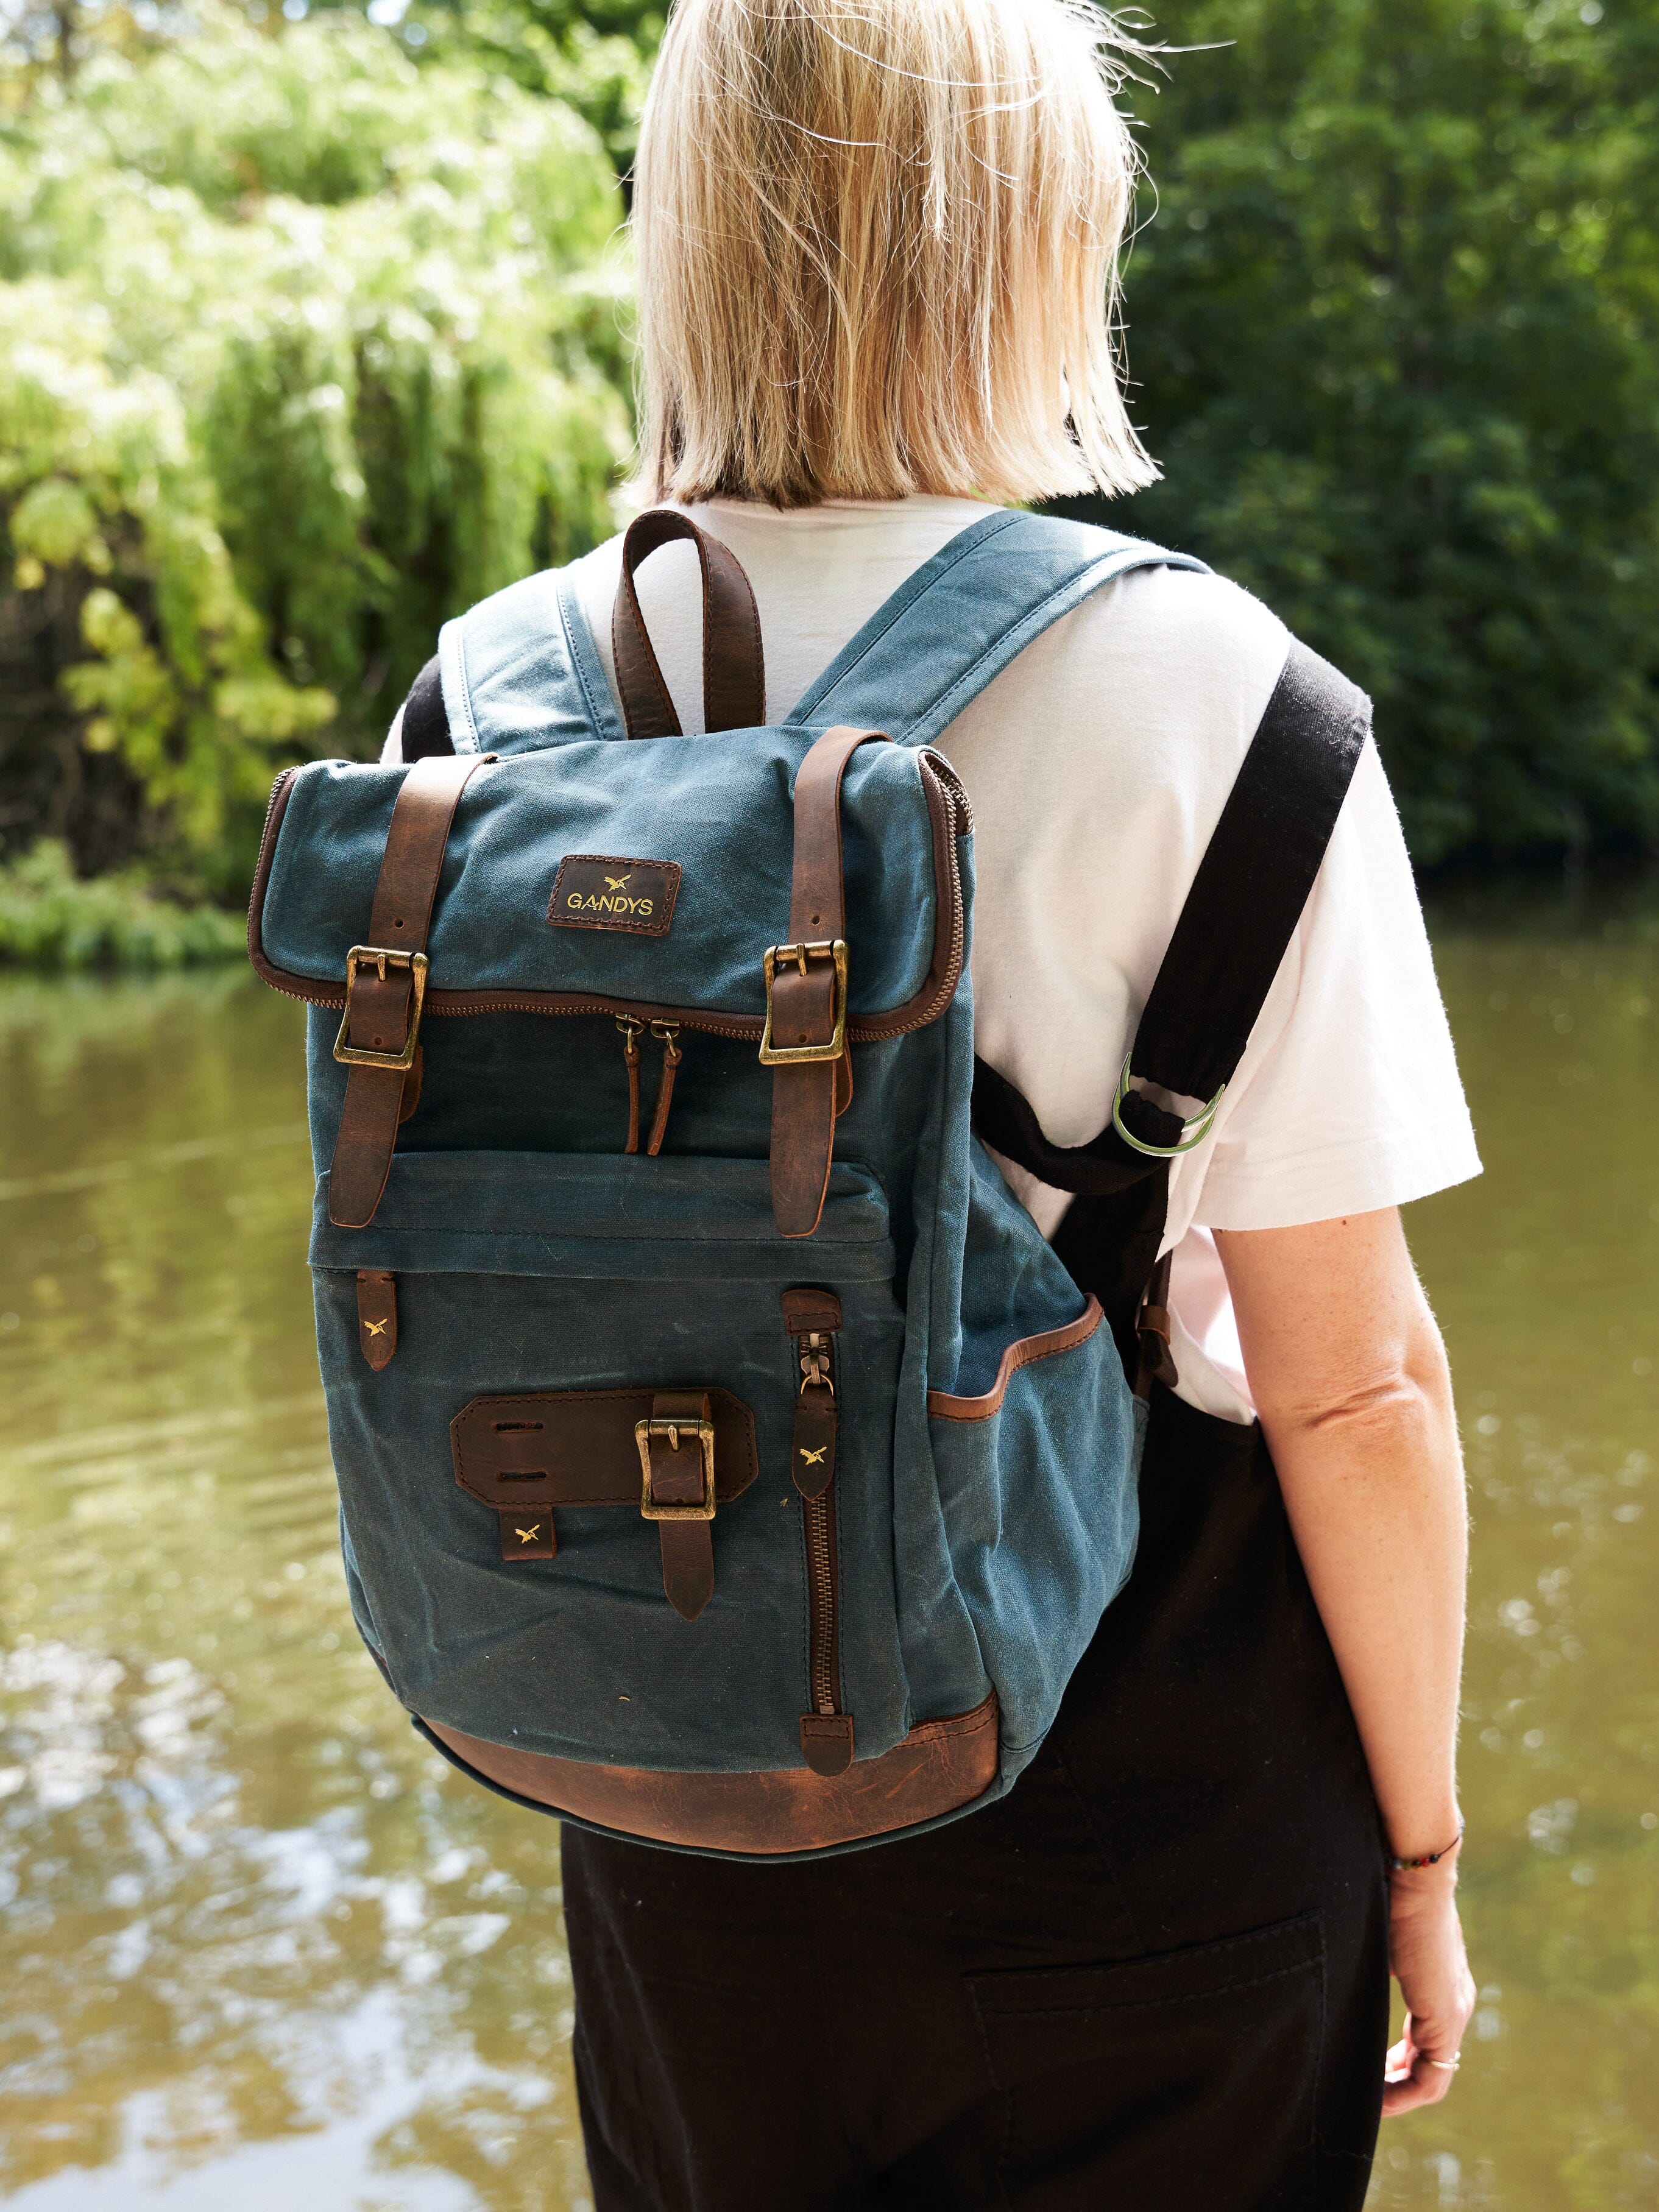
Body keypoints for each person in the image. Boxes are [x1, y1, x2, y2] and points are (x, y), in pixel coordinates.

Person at [386, 2, 1479, 2202]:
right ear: (1035, 233)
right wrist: (1425, 1855)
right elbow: (1354, 1389)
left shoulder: (482, 710)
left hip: (681, 1817)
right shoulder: (1221, 700)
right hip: (1155, 1825)